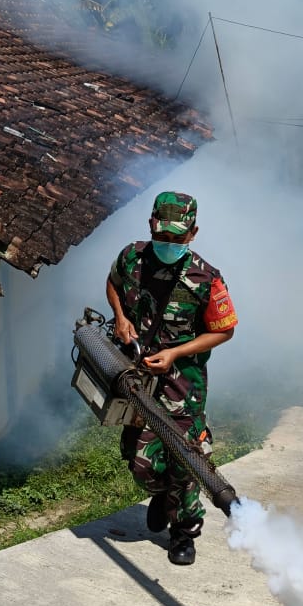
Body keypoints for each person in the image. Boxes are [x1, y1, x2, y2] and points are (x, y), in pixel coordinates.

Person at [106, 191, 238, 566]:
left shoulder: (205, 278)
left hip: (183, 385)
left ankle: (184, 533)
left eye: (177, 239)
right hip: (136, 377)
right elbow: (112, 283)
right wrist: (120, 316)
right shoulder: (131, 256)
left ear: (192, 233)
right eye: (163, 236)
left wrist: (178, 353)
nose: (168, 244)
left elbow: (225, 329)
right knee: (139, 460)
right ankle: (163, 494)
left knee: (186, 459)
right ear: (151, 226)